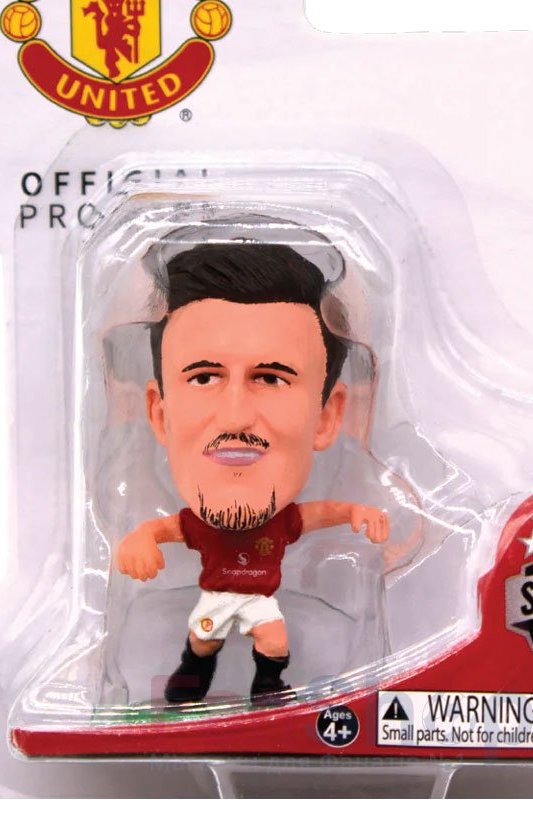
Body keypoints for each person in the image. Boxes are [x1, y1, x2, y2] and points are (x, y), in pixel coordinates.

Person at [116, 240, 389, 703]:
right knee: (203, 641)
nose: (236, 417)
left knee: (274, 641)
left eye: (270, 378)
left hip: (260, 599)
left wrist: (356, 513)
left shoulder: (285, 526)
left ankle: (269, 689)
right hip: (216, 598)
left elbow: (320, 514)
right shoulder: (196, 528)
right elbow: (163, 529)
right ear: (160, 415)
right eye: (204, 377)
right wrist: (137, 540)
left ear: (326, 417)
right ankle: (190, 678)